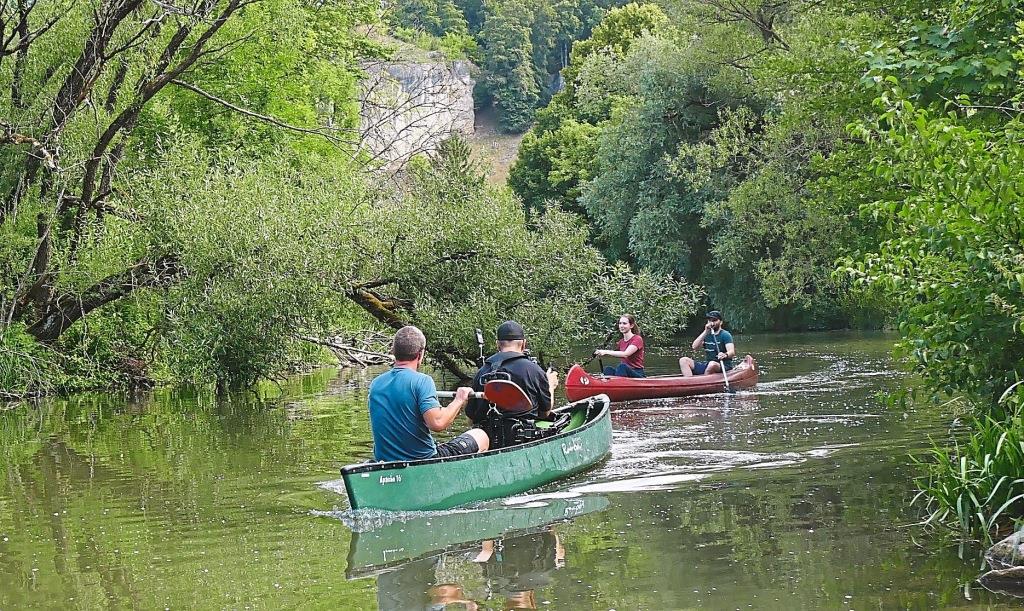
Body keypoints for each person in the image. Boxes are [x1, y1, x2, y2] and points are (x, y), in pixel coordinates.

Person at [368, 325, 489, 462]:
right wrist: (459, 399)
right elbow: (437, 423)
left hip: (385, 461)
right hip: (424, 460)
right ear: (420, 354)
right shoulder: (422, 381)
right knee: (480, 435)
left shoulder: (376, 384)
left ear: (393, 351)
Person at [467, 321, 558, 426]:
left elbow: (471, 419)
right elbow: (545, 413)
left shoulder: (482, 372)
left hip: (487, 436)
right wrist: (550, 385)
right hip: (523, 435)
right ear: (523, 344)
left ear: (497, 344)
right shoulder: (534, 370)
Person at [679, 310, 735, 376]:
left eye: (714, 320)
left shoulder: (725, 335)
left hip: (723, 366)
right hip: (708, 365)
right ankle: (689, 382)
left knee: (712, 364)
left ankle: (702, 382)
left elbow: (732, 352)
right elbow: (694, 347)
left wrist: (725, 355)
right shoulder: (706, 334)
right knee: (683, 360)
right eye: (709, 320)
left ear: (721, 322)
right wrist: (705, 332)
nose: (712, 323)